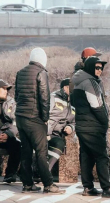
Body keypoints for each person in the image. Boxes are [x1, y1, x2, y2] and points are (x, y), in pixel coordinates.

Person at [15, 47, 64, 194]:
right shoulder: (41, 73)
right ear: (42, 59)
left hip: (20, 117)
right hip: (35, 118)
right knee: (42, 152)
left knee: (26, 152)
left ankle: (28, 184)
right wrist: (45, 118)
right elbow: (44, 97)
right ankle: (48, 184)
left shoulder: (20, 72)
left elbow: (17, 96)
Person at [72, 56, 110, 197]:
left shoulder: (77, 82)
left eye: (101, 67)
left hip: (81, 126)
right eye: (97, 67)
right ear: (90, 67)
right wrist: (105, 122)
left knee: (86, 156)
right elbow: (97, 106)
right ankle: (107, 188)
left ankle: (88, 188)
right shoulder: (90, 82)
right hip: (93, 126)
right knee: (102, 156)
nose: (100, 70)